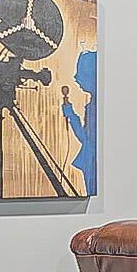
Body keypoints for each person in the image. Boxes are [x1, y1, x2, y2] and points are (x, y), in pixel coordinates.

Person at [61, 48, 97, 197]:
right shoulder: (93, 105)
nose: (77, 79)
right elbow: (86, 137)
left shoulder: (95, 107)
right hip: (90, 159)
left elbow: (85, 138)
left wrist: (70, 113)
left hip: (92, 161)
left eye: (82, 74)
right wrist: (70, 113)